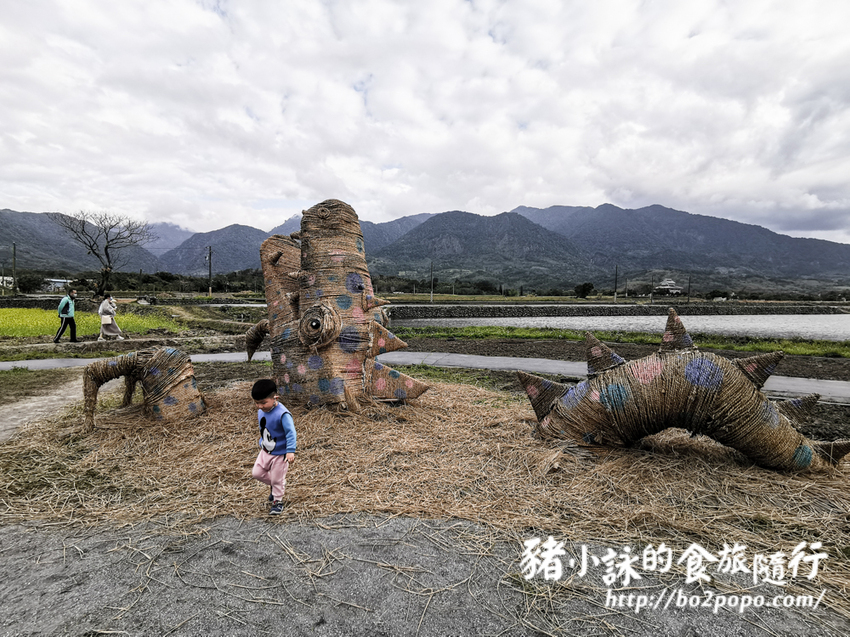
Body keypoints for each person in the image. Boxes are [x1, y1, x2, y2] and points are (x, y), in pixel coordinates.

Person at [250, 379, 296, 515]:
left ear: (275, 398)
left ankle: (277, 501)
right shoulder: (261, 411)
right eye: (257, 403)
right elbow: (264, 428)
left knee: (277, 479)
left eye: (263, 402)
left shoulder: (283, 414)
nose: (259, 406)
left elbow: (291, 432)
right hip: (266, 450)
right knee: (256, 473)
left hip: (280, 453)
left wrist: (290, 451)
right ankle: (277, 485)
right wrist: (261, 441)